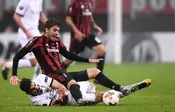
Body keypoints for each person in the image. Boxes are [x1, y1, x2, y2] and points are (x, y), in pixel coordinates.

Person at [10, 19, 104, 105]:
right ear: (47, 30)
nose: (57, 33)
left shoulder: (56, 41)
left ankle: (116, 90)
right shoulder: (36, 41)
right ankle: (80, 100)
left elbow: (67, 55)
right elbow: (17, 56)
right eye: (55, 30)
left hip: (60, 75)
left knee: (92, 84)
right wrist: (14, 74)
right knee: (76, 85)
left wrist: (87, 60)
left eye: (58, 30)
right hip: (53, 76)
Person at [19, 68, 151, 106]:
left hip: (73, 86)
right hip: (70, 98)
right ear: (29, 93)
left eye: (34, 84)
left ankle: (120, 88)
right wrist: (62, 98)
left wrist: (61, 88)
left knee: (94, 72)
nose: (37, 87)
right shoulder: (36, 100)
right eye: (34, 88)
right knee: (103, 96)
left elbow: (57, 84)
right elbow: (56, 105)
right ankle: (128, 90)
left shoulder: (40, 78)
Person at [62, 0, 106, 84]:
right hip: (78, 36)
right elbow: (68, 19)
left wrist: (94, 25)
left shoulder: (90, 2)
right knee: (69, 60)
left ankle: (98, 77)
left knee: (102, 51)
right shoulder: (74, 3)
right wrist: (76, 31)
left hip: (88, 34)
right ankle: (59, 75)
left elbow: (89, 15)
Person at [2, 0, 48, 80]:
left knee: (34, 61)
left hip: (35, 32)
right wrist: (26, 31)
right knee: (40, 57)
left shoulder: (39, 0)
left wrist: (49, 25)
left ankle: (8, 65)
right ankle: (36, 81)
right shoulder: (25, 1)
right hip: (26, 34)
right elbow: (16, 16)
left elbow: (40, 14)